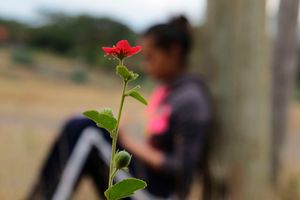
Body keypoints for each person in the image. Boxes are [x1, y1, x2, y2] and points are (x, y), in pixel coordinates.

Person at [27, 15, 213, 200]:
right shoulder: (171, 92)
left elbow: (181, 168)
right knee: (80, 124)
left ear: (174, 51)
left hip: (160, 194)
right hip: (147, 180)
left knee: (89, 133)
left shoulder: (191, 99)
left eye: (150, 57)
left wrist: (128, 141)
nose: (145, 65)